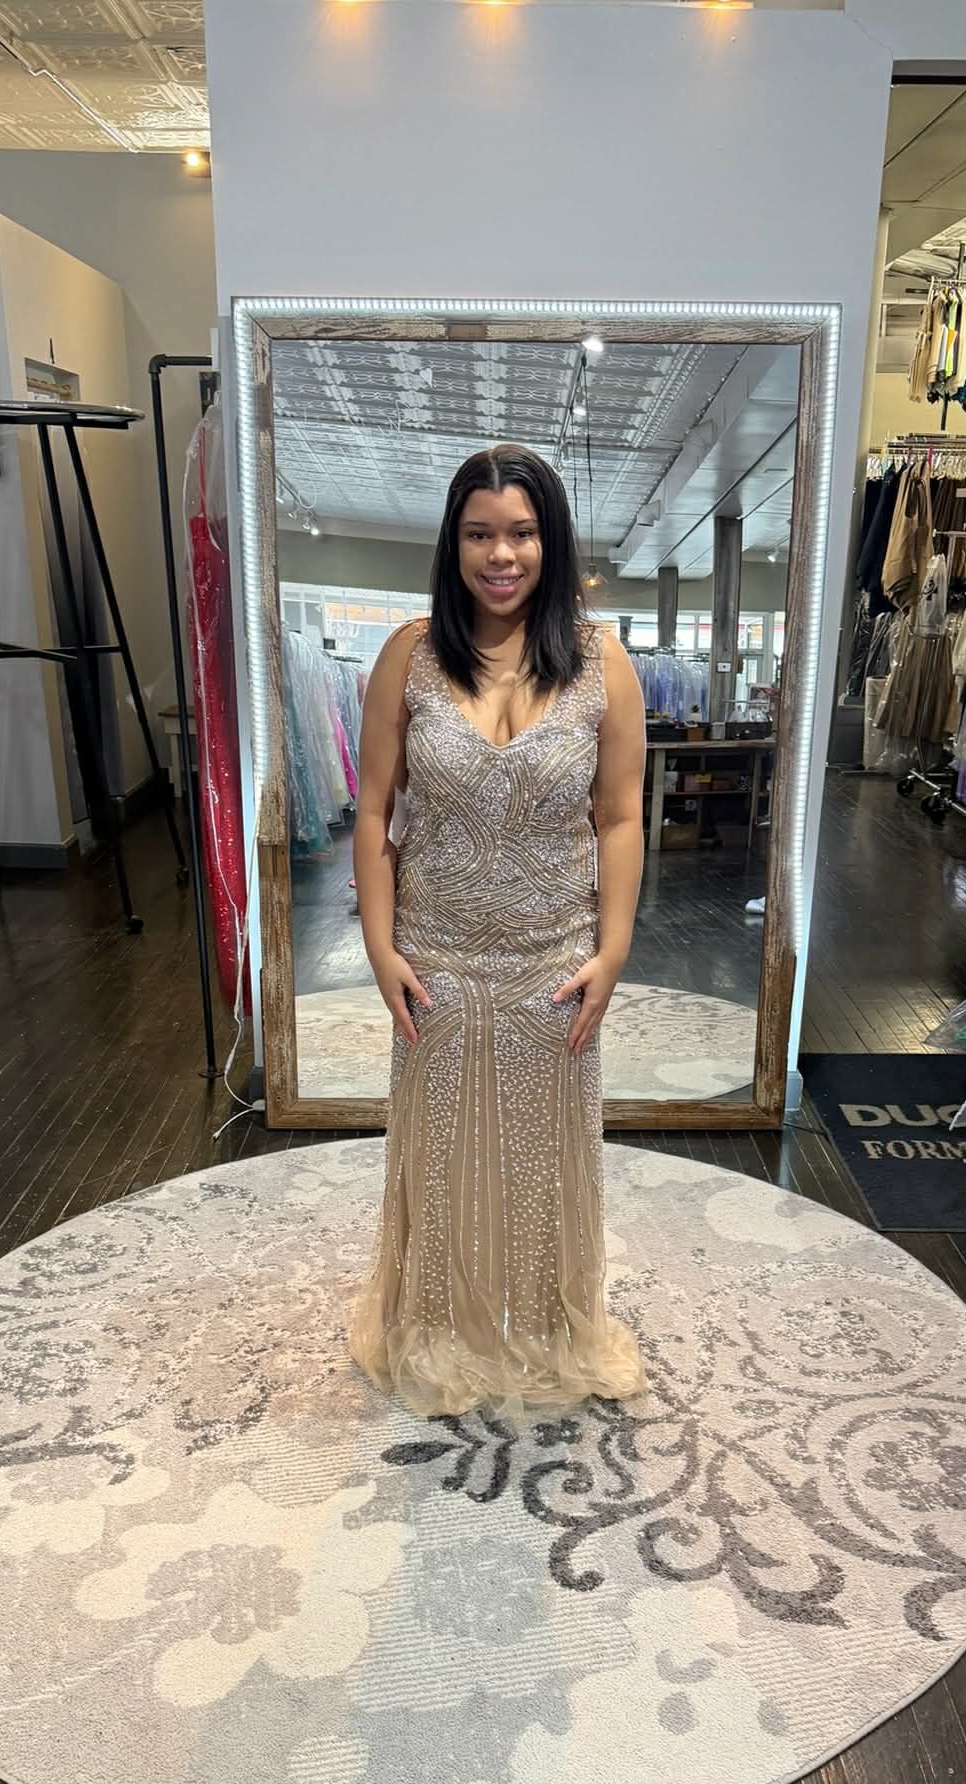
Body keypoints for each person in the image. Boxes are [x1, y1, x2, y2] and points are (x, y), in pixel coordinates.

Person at [348, 444, 648, 1422]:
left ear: (550, 540)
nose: (501, 553)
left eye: (520, 531)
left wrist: (613, 951)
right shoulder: (409, 654)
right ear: (455, 541)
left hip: (552, 963)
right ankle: (439, 1327)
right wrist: (381, 949)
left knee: (545, 1160)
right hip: (437, 960)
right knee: (441, 1158)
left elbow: (619, 816)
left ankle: (545, 1326)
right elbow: (372, 811)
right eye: (480, 532)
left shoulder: (604, 664)